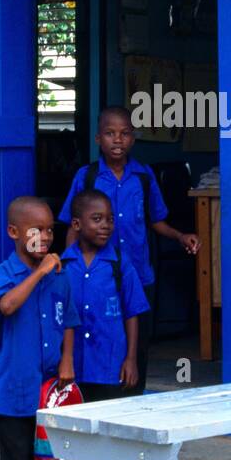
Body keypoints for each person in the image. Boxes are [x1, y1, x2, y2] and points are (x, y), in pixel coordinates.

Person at [59, 106, 199, 394]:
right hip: (96, 276)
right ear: (98, 139)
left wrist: (180, 235)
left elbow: (155, 221)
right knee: (96, 336)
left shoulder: (143, 177)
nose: (117, 140)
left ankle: (134, 406)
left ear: (133, 139)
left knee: (137, 346)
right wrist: (67, 268)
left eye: (124, 134)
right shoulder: (87, 178)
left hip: (138, 274)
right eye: (110, 134)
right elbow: (72, 227)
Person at [0, 195, 78, 460]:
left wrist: (67, 360)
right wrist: (38, 273)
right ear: (14, 232)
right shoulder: (2, 274)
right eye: (36, 230)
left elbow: (69, 319)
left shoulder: (60, 276)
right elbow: (7, 306)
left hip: (51, 392)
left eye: (50, 229)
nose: (46, 237)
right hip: (16, 392)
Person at [62, 188, 150, 460]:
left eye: (110, 220)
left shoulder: (119, 264)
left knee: (115, 422)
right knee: (75, 424)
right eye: (96, 219)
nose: (105, 226)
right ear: (76, 224)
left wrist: (131, 359)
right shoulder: (61, 265)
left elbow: (133, 312)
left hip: (110, 359)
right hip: (74, 364)